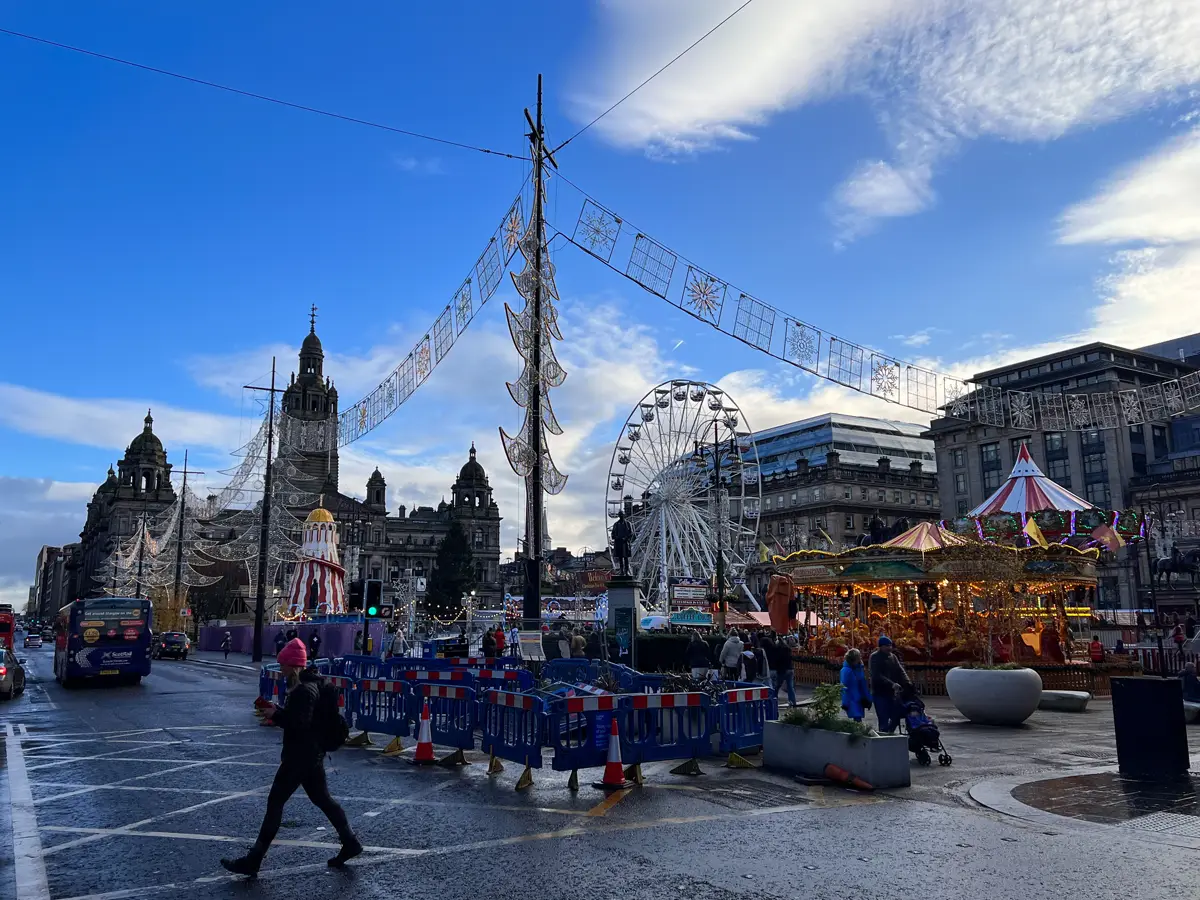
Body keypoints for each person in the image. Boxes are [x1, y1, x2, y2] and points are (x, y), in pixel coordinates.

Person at [221, 638, 361, 877]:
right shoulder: (311, 684)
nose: (281, 670)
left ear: (294, 666)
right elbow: (303, 720)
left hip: (299, 756)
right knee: (324, 801)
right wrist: (280, 712)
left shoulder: (303, 691)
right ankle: (350, 843)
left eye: (284, 665)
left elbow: (299, 724)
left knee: (275, 803)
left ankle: (254, 859)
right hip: (312, 754)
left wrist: (276, 715)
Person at [868, 636, 911, 734]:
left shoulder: (893, 657)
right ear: (881, 646)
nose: (889, 648)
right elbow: (877, 675)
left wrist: (907, 681)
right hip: (880, 693)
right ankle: (883, 736)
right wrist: (891, 684)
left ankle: (889, 733)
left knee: (896, 716)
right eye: (887, 646)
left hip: (892, 693)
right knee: (883, 718)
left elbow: (900, 670)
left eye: (890, 645)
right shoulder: (875, 657)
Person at [839, 649, 872, 722]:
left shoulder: (858, 669)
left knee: (858, 718)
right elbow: (843, 687)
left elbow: (863, 685)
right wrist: (845, 702)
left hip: (859, 698)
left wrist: (868, 698)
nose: (861, 658)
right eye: (859, 656)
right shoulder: (846, 670)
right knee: (857, 718)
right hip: (852, 699)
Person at [768, 633, 797, 707]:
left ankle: (774, 700)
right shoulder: (787, 649)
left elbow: (777, 660)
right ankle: (792, 701)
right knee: (790, 686)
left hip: (782, 670)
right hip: (790, 668)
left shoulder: (777, 649)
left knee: (776, 686)